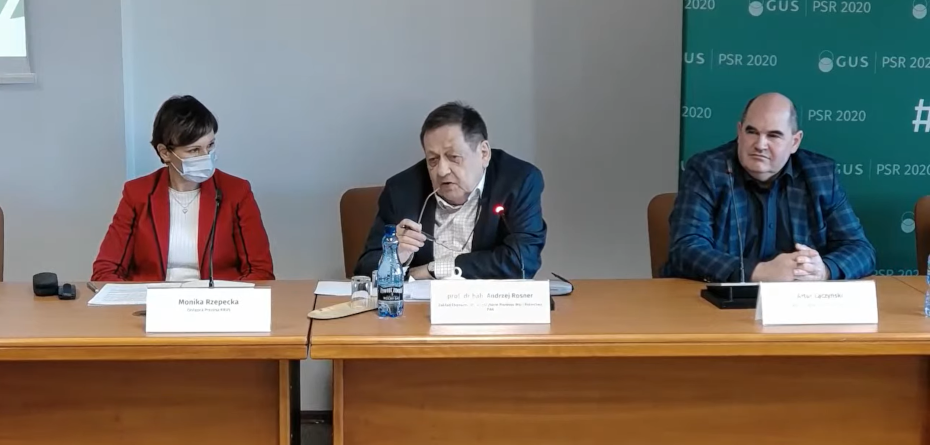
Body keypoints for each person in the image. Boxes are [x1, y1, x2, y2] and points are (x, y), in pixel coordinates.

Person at [662, 92, 875, 282]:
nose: (760, 144)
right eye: (752, 132)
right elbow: (686, 250)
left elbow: (861, 250)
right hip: (720, 303)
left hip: (797, 304)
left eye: (773, 135)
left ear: (794, 142)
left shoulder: (821, 175)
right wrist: (760, 272)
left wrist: (822, 271)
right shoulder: (707, 170)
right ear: (739, 132)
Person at [353, 101, 547, 280]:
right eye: (433, 160)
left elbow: (522, 261)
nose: (442, 171)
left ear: (484, 153)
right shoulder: (401, 190)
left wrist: (434, 269)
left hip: (490, 303)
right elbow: (364, 269)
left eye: (454, 157)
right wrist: (395, 256)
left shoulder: (518, 181)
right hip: (420, 304)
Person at [92, 95, 274, 282]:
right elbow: (105, 270)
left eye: (210, 146)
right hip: (152, 298)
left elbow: (260, 271)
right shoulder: (137, 193)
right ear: (165, 153)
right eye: (194, 150)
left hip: (216, 298)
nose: (206, 156)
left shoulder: (236, 191)